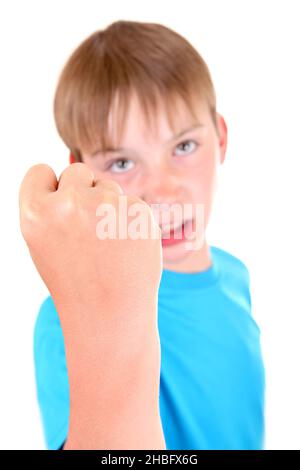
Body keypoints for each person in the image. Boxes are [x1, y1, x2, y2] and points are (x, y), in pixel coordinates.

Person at [22, 20, 265, 450]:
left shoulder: (236, 275)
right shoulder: (66, 320)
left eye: (184, 147)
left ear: (221, 137)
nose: (162, 190)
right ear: (82, 171)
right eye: (121, 162)